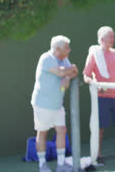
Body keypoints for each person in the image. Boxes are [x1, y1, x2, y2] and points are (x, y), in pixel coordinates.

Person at [83, 26, 115, 165]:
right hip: (102, 98)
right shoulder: (94, 54)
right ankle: (98, 155)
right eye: (110, 37)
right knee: (100, 128)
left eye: (113, 36)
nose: (112, 39)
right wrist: (96, 84)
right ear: (101, 39)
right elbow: (86, 76)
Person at [31, 35, 78, 172]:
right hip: (42, 105)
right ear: (58, 49)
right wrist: (67, 72)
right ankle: (42, 165)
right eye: (66, 48)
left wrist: (67, 75)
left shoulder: (64, 59)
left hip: (57, 105)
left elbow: (74, 71)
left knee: (62, 130)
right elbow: (60, 72)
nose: (69, 50)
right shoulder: (46, 58)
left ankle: (61, 165)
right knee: (42, 132)